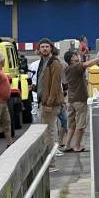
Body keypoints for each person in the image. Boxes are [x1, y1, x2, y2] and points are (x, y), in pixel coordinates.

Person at [36, 38, 64, 169]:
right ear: (39, 49)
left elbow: (55, 85)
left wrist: (49, 103)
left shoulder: (54, 63)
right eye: (42, 47)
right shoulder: (43, 62)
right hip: (43, 102)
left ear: (51, 48)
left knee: (49, 134)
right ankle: (48, 163)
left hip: (49, 105)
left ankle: (51, 164)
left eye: (47, 47)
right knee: (46, 133)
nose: (45, 49)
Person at [63, 51, 88, 153]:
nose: (77, 56)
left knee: (71, 125)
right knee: (80, 125)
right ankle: (77, 146)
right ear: (71, 59)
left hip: (71, 100)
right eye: (74, 55)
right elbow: (86, 64)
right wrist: (98, 59)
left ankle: (67, 145)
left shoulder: (67, 69)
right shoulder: (76, 67)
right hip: (80, 100)